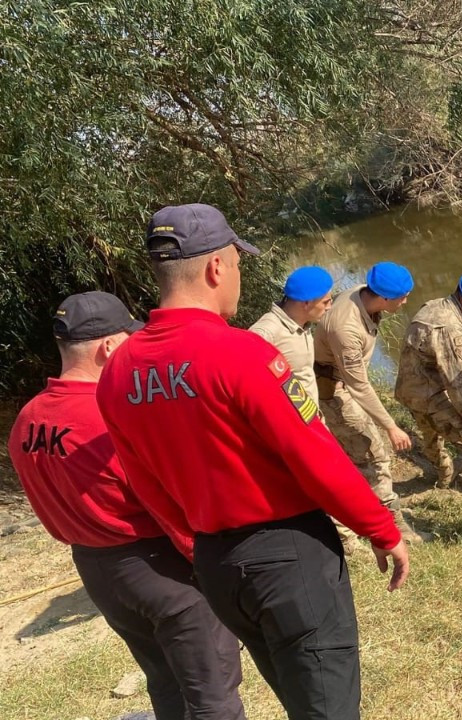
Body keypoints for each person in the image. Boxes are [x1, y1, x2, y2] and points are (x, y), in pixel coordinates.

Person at [97, 203, 409, 720]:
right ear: (217, 268)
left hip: (218, 565)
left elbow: (146, 483)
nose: (239, 276)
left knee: (295, 691)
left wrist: (194, 544)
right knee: (326, 707)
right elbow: (315, 455)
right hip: (288, 559)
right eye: (238, 264)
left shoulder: (119, 370)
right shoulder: (243, 353)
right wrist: (382, 528)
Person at [9, 292, 246, 720]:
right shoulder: (111, 413)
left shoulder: (28, 419)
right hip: (159, 570)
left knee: (166, 681)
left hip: (97, 571)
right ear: (109, 347)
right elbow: (173, 500)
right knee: (214, 693)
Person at [313, 261, 418, 544]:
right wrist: (391, 426)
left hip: (344, 383)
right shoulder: (345, 328)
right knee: (375, 454)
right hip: (333, 392)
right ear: (383, 298)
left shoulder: (363, 293)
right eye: (402, 297)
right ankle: (389, 526)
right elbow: (357, 385)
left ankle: (358, 513)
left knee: (353, 455)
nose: (406, 301)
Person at [395, 272, 462, 507]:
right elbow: (456, 381)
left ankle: (443, 476)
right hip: (429, 395)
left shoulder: (433, 306)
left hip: (409, 389)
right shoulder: (449, 326)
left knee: (430, 437)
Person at [248, 265, 334, 403]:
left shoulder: (303, 325)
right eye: (325, 302)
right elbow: (247, 387)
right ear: (306, 303)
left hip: (309, 418)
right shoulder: (266, 333)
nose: (330, 307)